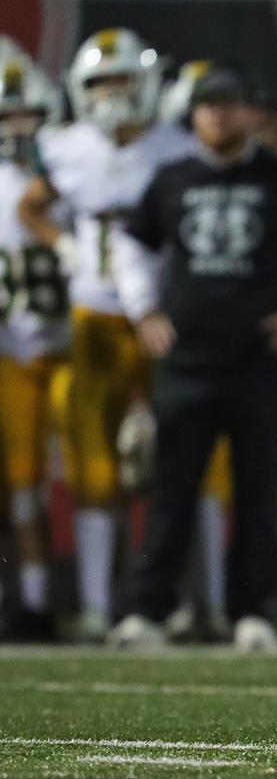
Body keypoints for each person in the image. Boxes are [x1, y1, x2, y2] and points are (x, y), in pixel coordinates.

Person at [105, 63, 277, 650]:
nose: (218, 114)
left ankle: (253, 611)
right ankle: (150, 611)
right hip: (186, 362)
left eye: (228, 103)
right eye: (207, 104)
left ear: (252, 114)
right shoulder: (171, 177)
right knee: (172, 491)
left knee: (257, 492)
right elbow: (128, 241)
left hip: (259, 361)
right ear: (192, 114)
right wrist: (144, 308)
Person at [19, 28, 197, 641]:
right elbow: (31, 207)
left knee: (175, 466)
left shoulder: (178, 146)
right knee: (94, 469)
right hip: (93, 318)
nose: (113, 92)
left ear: (148, 83)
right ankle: (97, 604)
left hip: (164, 321)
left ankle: (170, 601)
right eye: (100, 82)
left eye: (123, 79)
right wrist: (63, 242)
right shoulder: (64, 147)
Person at [0, 53, 68, 639]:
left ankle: (102, 600)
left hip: (75, 347)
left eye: (28, 114)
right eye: (6, 114)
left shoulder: (73, 169)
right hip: (12, 350)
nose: (18, 126)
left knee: (107, 482)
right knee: (20, 482)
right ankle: (31, 601)